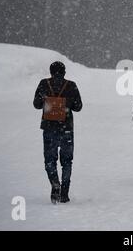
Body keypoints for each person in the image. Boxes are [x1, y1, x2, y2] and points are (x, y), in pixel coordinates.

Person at [33, 61, 82, 203]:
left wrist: (47, 100)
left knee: (50, 160)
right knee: (67, 161)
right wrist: (67, 103)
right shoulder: (71, 85)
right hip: (66, 128)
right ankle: (65, 192)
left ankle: (55, 183)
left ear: (50, 71)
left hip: (49, 128)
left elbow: (36, 105)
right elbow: (78, 107)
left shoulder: (44, 84)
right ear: (64, 72)